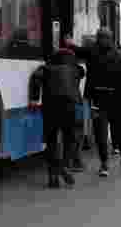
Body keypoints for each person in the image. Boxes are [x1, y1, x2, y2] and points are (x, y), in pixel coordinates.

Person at [29, 40, 85, 188]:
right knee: (69, 139)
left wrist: (34, 99)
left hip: (51, 108)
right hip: (70, 108)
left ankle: (53, 176)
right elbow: (82, 71)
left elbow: (36, 77)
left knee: (51, 142)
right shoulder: (76, 70)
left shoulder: (46, 69)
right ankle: (65, 165)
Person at [81, 29, 121, 176]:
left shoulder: (119, 56)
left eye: (105, 38)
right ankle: (105, 164)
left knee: (119, 133)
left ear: (110, 39)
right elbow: (90, 78)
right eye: (100, 38)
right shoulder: (94, 55)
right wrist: (89, 99)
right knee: (101, 135)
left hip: (117, 101)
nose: (102, 41)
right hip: (100, 101)